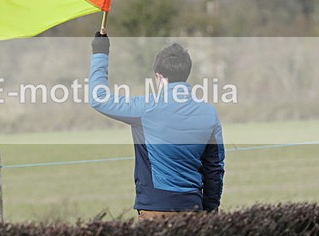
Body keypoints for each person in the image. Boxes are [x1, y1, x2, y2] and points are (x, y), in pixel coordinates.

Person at [89, 32, 225, 221]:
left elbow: (98, 99)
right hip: (194, 210)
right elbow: (214, 168)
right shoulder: (209, 113)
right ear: (186, 73)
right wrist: (209, 211)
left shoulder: (145, 108)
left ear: (158, 76)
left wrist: (100, 52)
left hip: (155, 209)